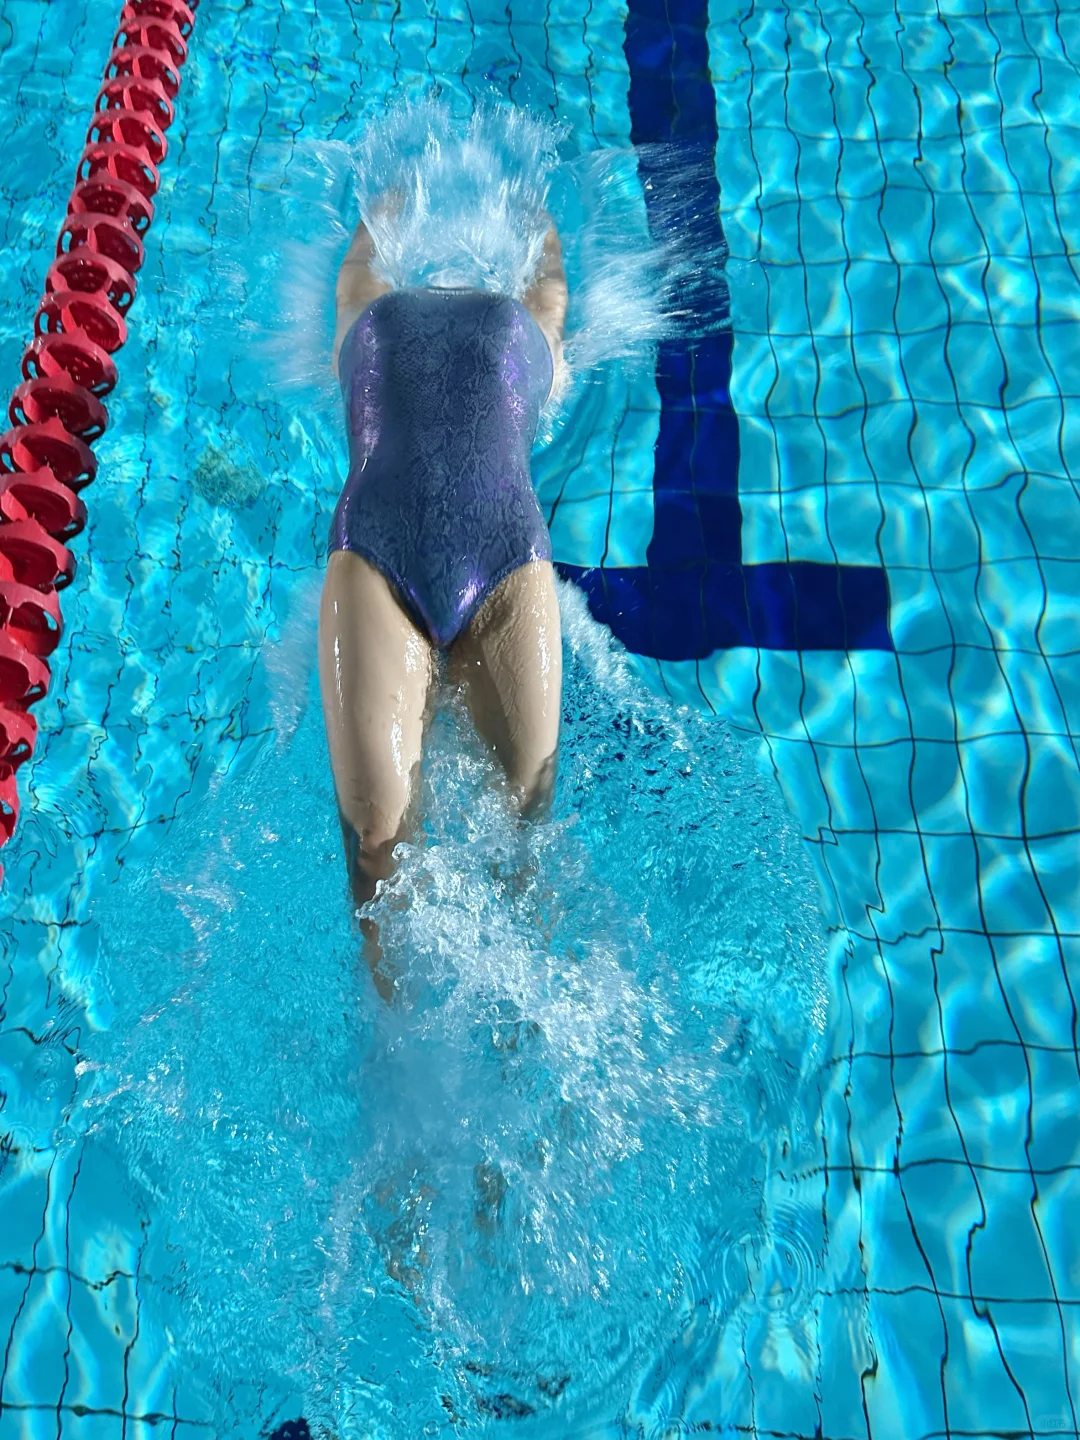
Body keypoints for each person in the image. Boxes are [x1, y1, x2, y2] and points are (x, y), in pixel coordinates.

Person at [317, 210, 569, 938]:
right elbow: (354, 278)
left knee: (523, 845)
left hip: (508, 560)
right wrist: (379, 211)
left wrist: (545, 224)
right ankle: (382, 1015)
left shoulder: (533, 326)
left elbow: (552, 293)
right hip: (375, 555)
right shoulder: (367, 317)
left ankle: (526, 1014)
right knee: (377, 850)